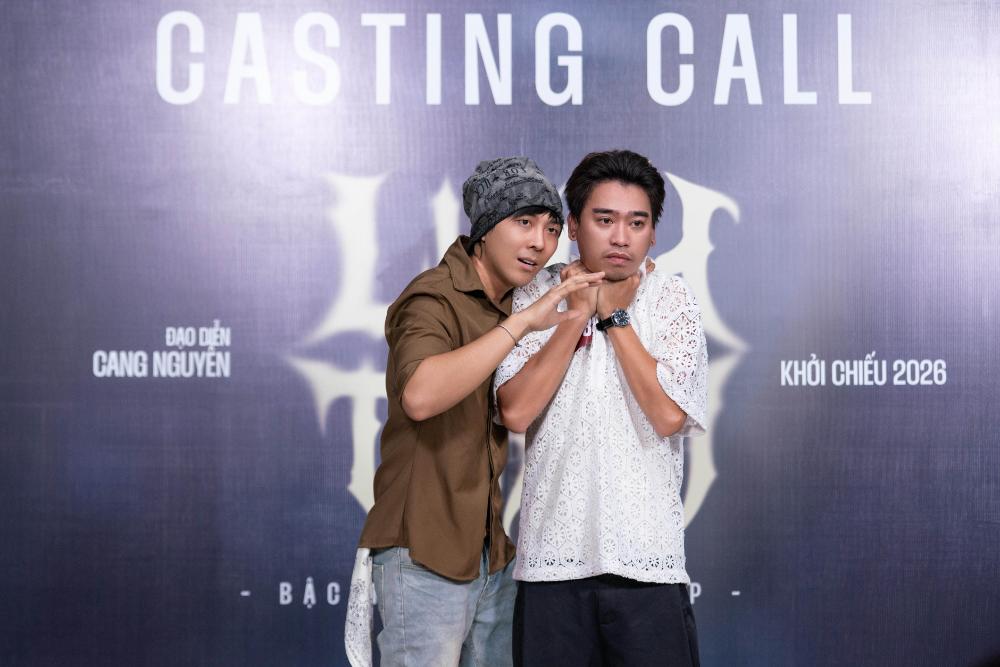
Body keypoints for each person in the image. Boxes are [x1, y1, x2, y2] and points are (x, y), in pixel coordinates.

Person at [344, 157, 604, 667]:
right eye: (524, 222)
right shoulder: (433, 297)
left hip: (491, 556)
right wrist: (522, 324)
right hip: (422, 551)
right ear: (485, 229)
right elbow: (420, 396)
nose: (540, 243)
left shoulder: (515, 297)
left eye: (552, 229)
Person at [495, 150, 709, 666]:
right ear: (573, 225)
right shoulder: (534, 296)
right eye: (605, 220)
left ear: (653, 234)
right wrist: (575, 315)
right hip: (551, 568)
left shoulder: (672, 299)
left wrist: (614, 318)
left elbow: (668, 417)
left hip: (648, 568)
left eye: (637, 223)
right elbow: (516, 412)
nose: (620, 237)